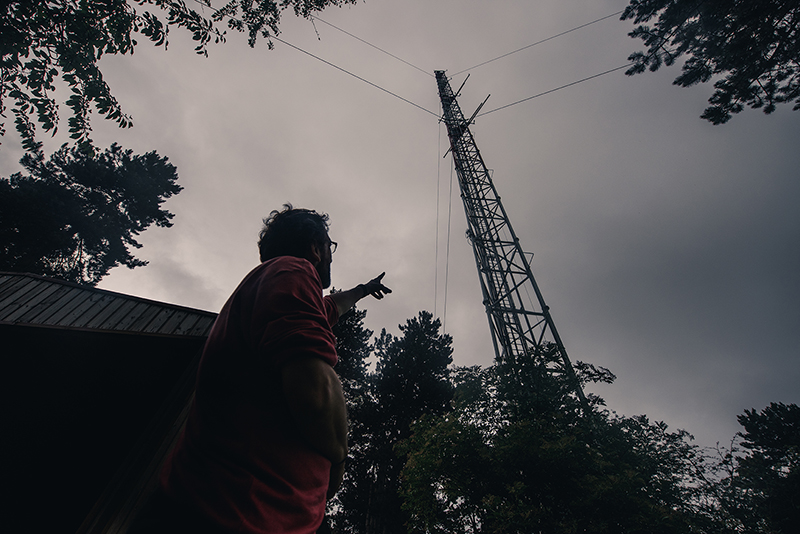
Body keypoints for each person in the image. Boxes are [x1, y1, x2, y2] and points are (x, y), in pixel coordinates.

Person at [130, 205, 391, 534]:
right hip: (235, 516)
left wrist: (363, 290)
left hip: (259, 514)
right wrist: (338, 460)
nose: (331, 255)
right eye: (330, 246)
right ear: (315, 247)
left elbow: (331, 308)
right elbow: (317, 395)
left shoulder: (276, 289)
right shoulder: (292, 272)